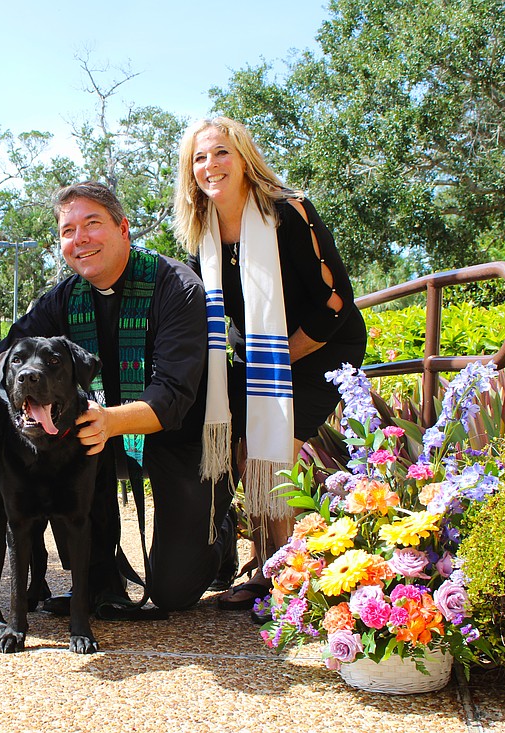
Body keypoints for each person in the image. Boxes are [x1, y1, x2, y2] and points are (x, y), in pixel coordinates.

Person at [0, 181, 235, 613]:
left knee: (172, 593)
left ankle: (219, 529)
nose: (80, 239)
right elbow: (10, 350)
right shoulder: (64, 298)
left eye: (92, 224)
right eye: (67, 230)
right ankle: (100, 577)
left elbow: (173, 395)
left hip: (183, 438)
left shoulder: (178, 289)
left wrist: (111, 421)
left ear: (123, 228)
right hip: (99, 431)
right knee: (57, 442)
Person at [172, 117, 367, 616]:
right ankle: (268, 561)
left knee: (273, 453)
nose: (210, 165)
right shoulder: (203, 233)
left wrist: (276, 359)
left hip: (321, 348)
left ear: (243, 158)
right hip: (256, 355)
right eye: (199, 157)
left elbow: (336, 302)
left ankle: (281, 577)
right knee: (242, 451)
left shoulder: (288, 212)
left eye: (220, 153)